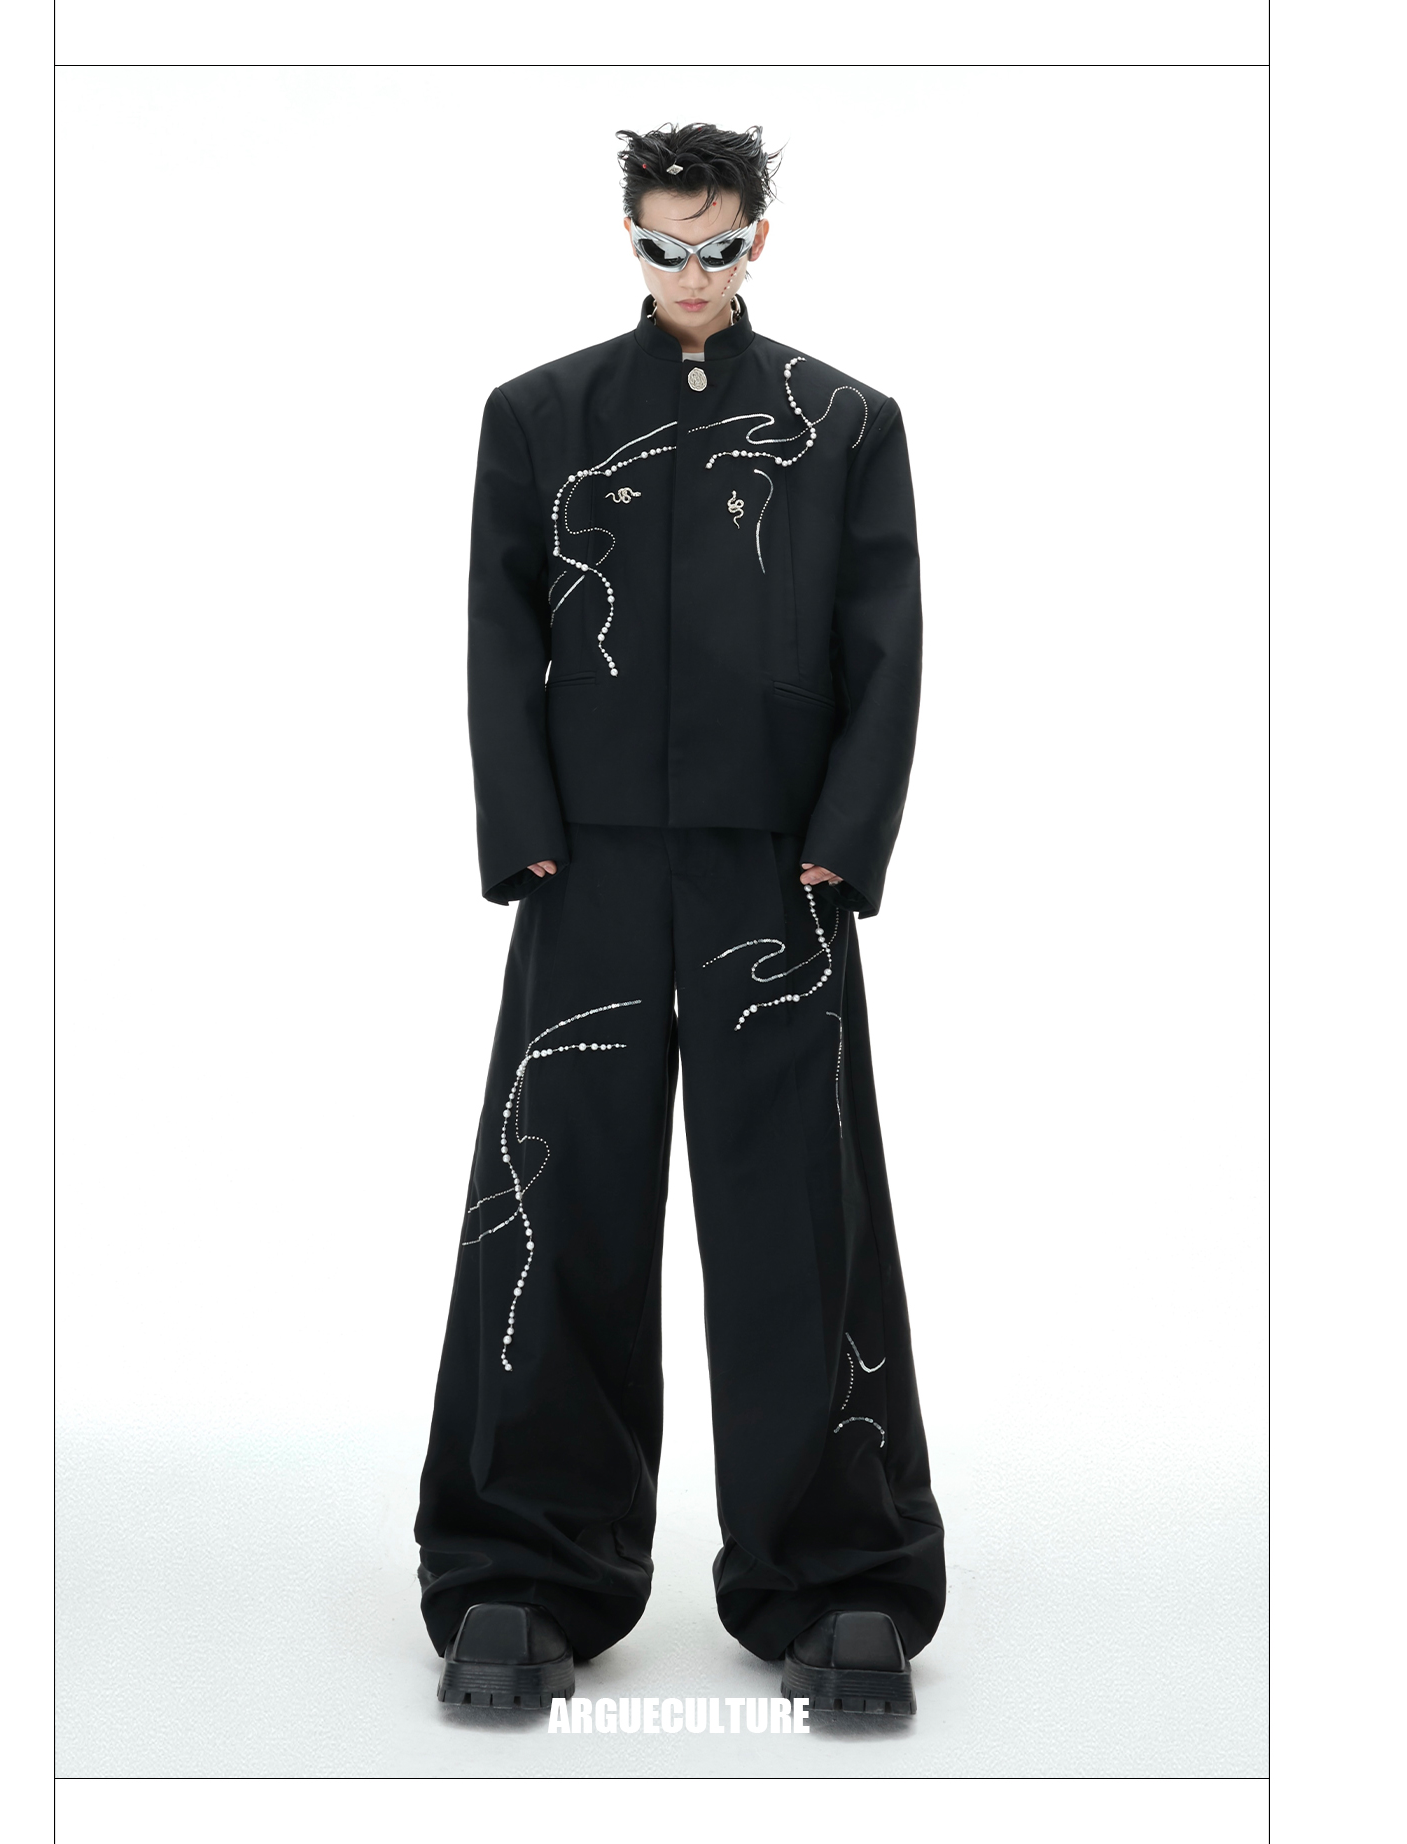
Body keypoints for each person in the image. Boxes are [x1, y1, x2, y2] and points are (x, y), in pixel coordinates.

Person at [414, 121, 945, 1717]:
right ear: (632, 239)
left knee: (802, 1213)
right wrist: (524, 834)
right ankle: (523, 1567)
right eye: (665, 247)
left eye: (717, 248)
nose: (691, 275)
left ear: (757, 241)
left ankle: (836, 1576)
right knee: (551, 1196)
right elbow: (499, 628)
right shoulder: (541, 416)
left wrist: (843, 844)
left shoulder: (845, 423)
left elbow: (889, 642)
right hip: (586, 869)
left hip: (776, 873)